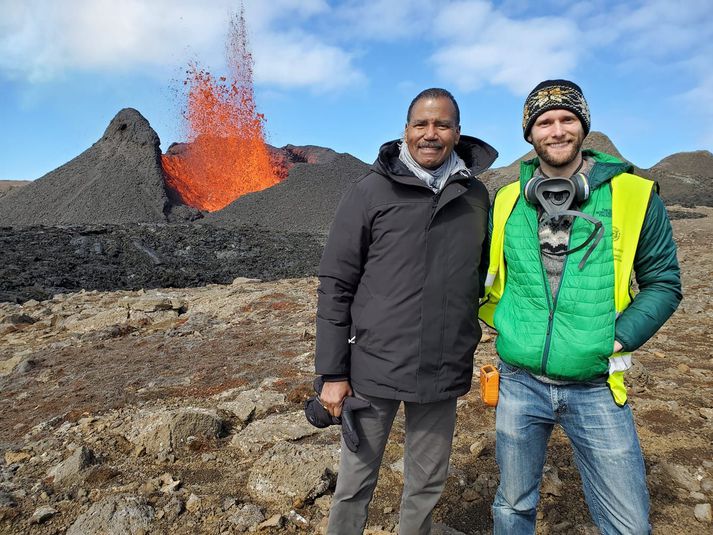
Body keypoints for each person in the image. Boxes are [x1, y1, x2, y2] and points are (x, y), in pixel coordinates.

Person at [479, 79, 682, 534]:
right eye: (544, 121)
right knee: (512, 506)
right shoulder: (507, 199)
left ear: (583, 126)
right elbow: (483, 273)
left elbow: (664, 283)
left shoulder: (635, 195)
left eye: (567, 119)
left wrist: (618, 337)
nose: (556, 130)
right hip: (518, 381)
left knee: (628, 524)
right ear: (529, 133)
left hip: (595, 385)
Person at [315, 88, 497, 534]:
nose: (430, 134)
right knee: (355, 482)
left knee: (427, 483)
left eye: (442, 125)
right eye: (422, 124)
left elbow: (480, 276)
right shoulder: (370, 191)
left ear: (457, 132)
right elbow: (336, 284)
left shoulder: (476, 196)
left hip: (443, 367)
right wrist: (332, 374)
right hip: (374, 367)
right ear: (406, 130)